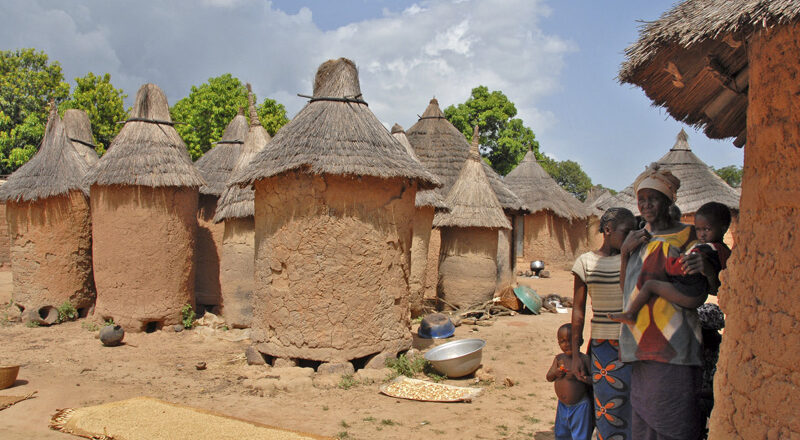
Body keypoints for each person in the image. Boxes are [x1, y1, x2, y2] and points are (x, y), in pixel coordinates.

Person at [618, 164, 707, 440]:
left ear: (667, 202)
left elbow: (699, 291)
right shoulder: (638, 239)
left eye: (652, 199)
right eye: (641, 199)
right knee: (644, 419)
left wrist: (703, 265)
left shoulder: (688, 236)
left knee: (674, 420)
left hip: (675, 344)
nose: (645, 205)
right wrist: (624, 253)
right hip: (639, 342)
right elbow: (627, 291)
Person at [570, 207, 636, 439]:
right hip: (604, 347)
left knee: (634, 407)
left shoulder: (633, 260)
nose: (630, 237)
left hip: (634, 343)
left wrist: (627, 254)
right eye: (626, 232)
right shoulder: (585, 262)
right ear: (607, 230)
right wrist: (576, 354)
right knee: (607, 408)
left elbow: (630, 292)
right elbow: (578, 310)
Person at [609, 202, 731, 325]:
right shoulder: (642, 250)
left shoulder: (701, 249)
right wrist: (625, 254)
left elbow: (718, 286)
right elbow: (628, 290)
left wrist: (668, 267)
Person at [547, 323, 593, 440]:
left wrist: (584, 378)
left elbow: (595, 380)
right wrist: (556, 373)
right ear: (558, 343)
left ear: (580, 341)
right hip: (562, 405)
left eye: (570, 341)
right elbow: (549, 377)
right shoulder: (559, 359)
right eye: (562, 341)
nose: (566, 344)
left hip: (580, 406)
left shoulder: (584, 359)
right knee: (562, 434)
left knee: (580, 435)